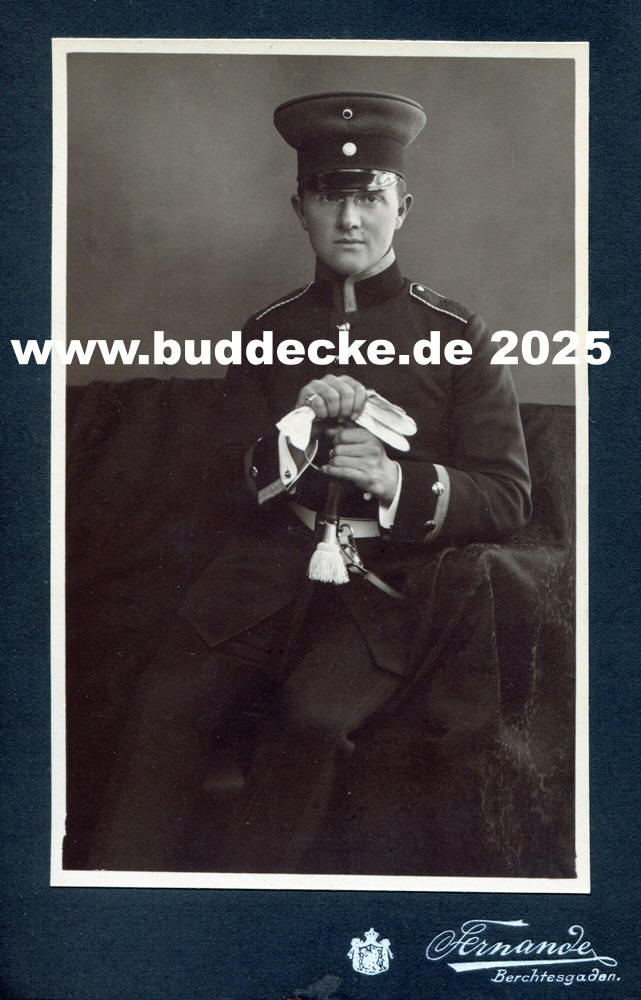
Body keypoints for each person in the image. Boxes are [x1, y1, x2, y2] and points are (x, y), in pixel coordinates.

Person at [88, 91, 531, 873]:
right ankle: (109, 908)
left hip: (387, 587)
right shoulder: (270, 331)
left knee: (311, 723)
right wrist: (293, 436)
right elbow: (221, 479)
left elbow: (507, 494)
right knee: (165, 702)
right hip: (264, 571)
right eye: (329, 198)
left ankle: (260, 917)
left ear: (402, 207)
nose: (349, 220)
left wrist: (394, 481)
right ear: (300, 209)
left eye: (370, 198)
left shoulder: (456, 334)